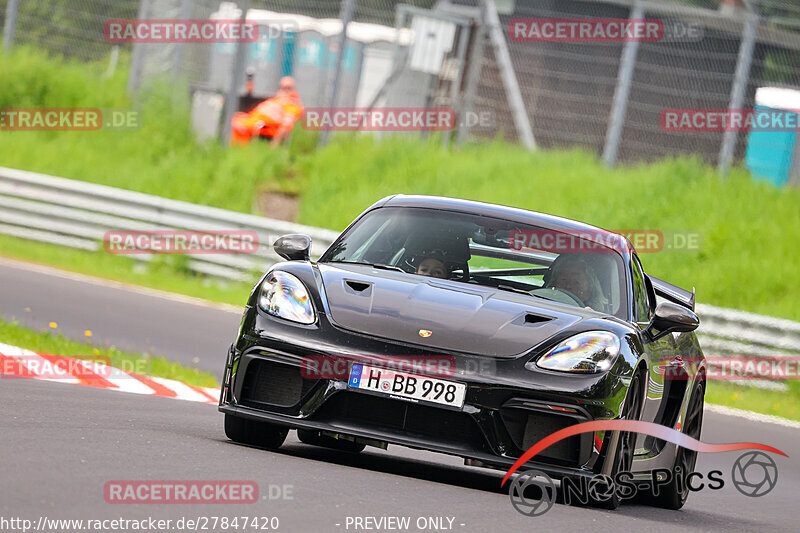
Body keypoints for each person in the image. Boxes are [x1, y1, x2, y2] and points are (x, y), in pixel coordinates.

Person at [230, 76, 304, 148]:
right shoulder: (276, 100)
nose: (285, 91)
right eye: (282, 88)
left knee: (238, 125)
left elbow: (286, 126)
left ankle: (242, 154)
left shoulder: (292, 105)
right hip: (252, 121)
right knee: (236, 118)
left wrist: (274, 144)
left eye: (288, 88)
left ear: (293, 90)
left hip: (262, 128)